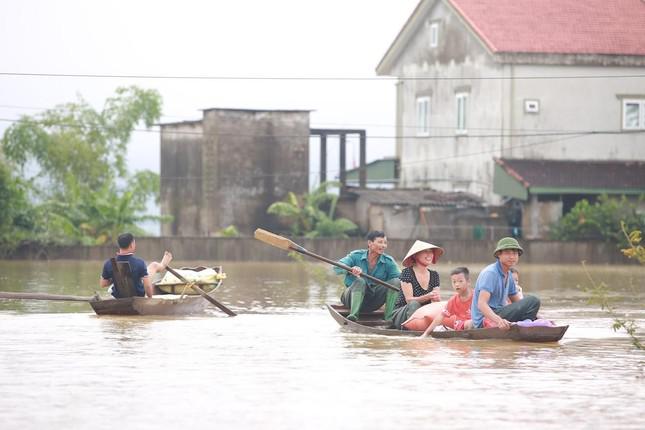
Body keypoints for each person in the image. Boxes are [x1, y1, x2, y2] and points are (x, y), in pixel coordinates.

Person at [471, 237, 540, 330]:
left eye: (515, 253)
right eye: (507, 253)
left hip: (499, 313)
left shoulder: (509, 275)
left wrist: (537, 317)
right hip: (485, 319)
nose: (512, 257)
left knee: (532, 303)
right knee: (533, 300)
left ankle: (525, 325)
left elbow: (517, 302)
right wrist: (498, 320)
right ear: (499, 255)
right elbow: (481, 304)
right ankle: (524, 325)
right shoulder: (490, 273)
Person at [334, 231, 401, 322]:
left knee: (396, 282)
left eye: (385, 243)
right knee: (360, 281)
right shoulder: (355, 256)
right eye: (380, 242)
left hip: (373, 302)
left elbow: (401, 279)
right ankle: (353, 315)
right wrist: (350, 269)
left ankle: (389, 318)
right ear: (370, 243)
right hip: (351, 299)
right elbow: (337, 267)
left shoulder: (388, 261)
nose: (383, 245)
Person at [100, 232, 172, 298]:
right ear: (131, 245)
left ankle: (162, 264)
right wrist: (150, 298)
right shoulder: (139, 263)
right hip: (137, 296)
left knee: (148, 269)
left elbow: (103, 284)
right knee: (153, 266)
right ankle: (163, 265)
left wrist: (117, 276)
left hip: (118, 296)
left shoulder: (109, 263)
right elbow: (147, 287)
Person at [390, 240, 443, 330]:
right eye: (425, 251)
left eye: (431, 252)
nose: (429, 254)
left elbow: (436, 302)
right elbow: (409, 300)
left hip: (424, 313)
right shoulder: (407, 272)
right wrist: (427, 296)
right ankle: (411, 331)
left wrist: (437, 299)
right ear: (415, 255)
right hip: (403, 313)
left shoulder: (434, 275)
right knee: (414, 304)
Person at [421, 266, 473, 337]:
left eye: (460, 281)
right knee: (471, 323)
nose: (457, 284)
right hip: (461, 324)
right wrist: (426, 333)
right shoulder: (453, 301)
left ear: (468, 282)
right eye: (454, 282)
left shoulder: (477, 296)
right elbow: (440, 317)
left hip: (476, 322)